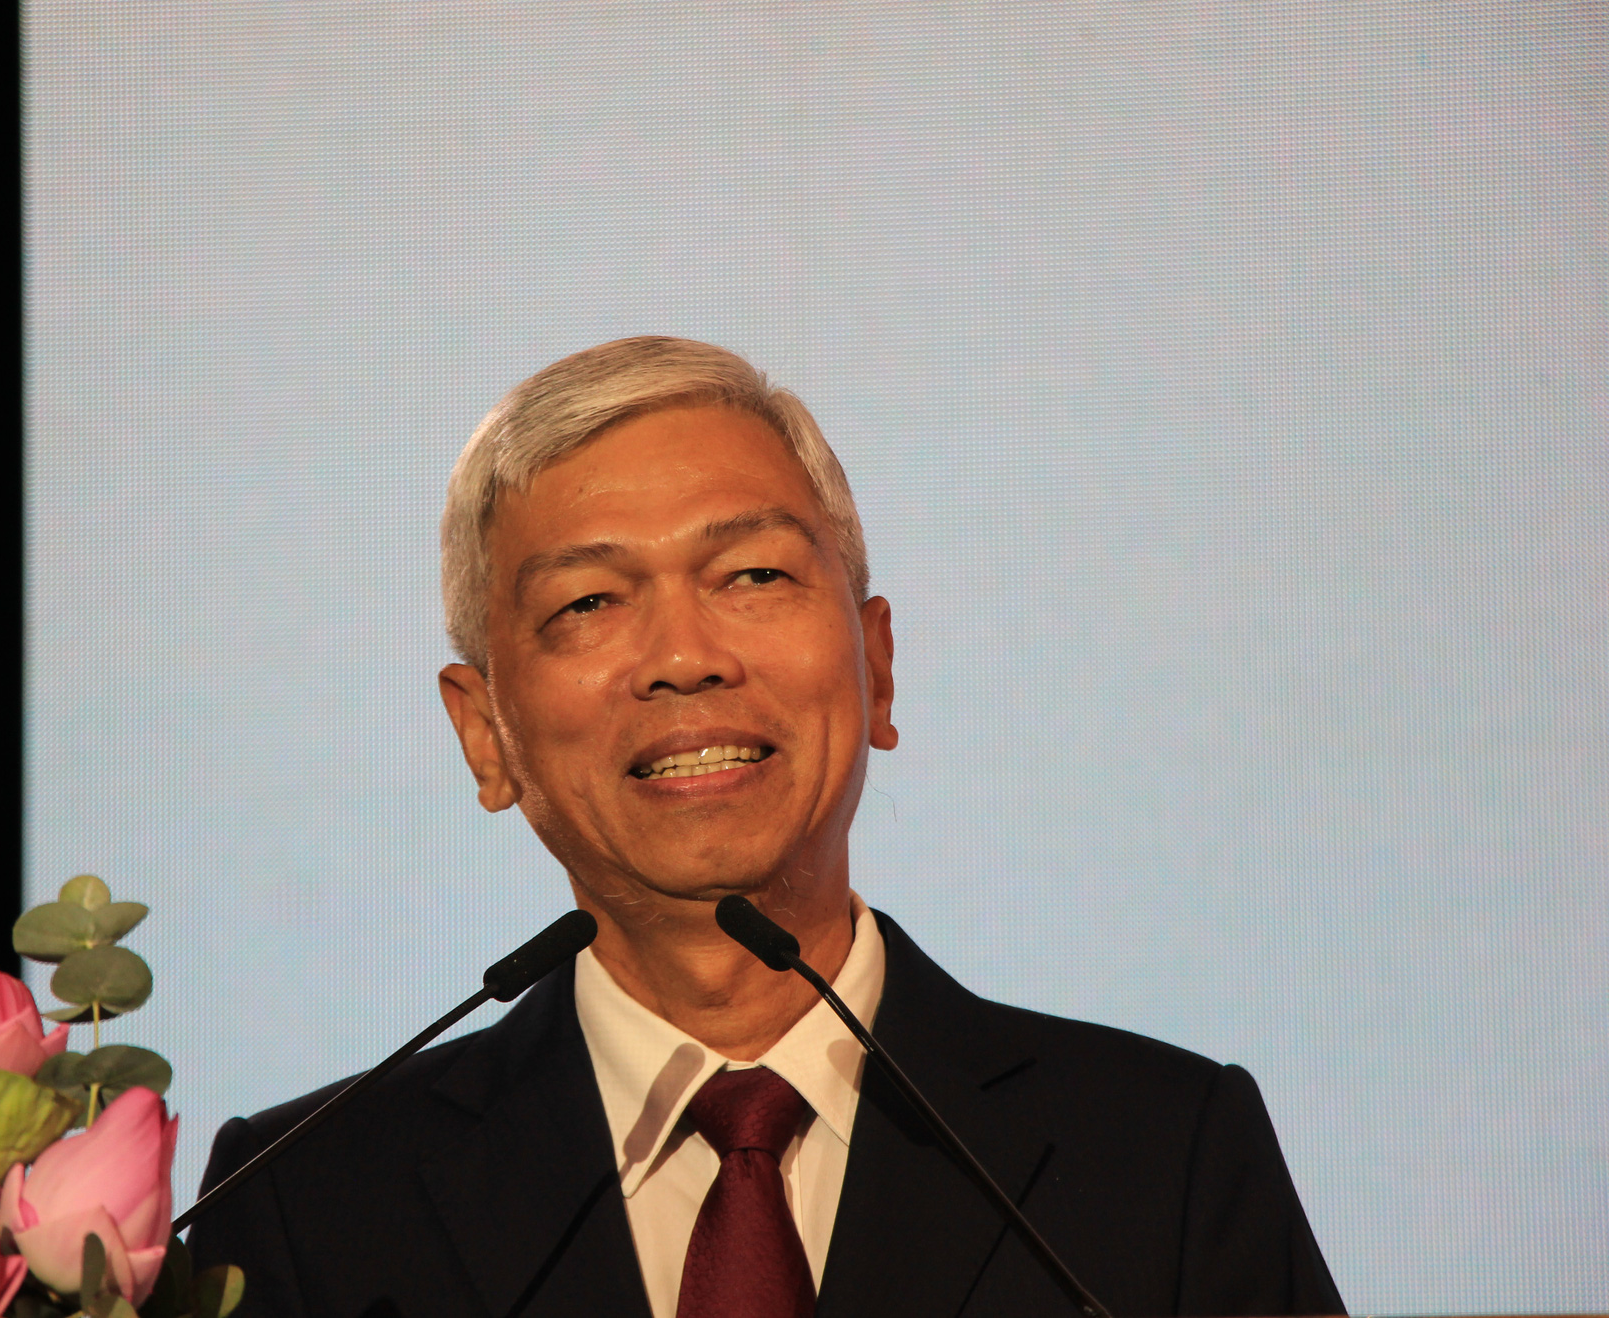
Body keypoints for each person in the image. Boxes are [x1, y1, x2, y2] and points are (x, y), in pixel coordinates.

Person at [190, 337, 1344, 1318]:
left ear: (877, 668)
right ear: (484, 732)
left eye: (749, 574)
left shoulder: (1163, 1157)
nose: (685, 657)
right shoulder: (306, 1200)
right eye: (587, 602)